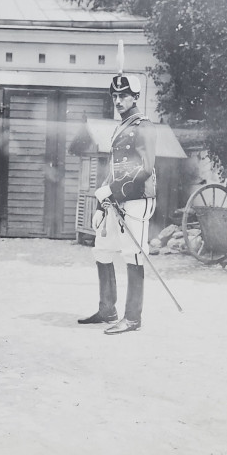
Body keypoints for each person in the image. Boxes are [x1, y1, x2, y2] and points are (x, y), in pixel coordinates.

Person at [78, 73, 157, 335]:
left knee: (132, 254)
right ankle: (107, 310)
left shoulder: (144, 126)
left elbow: (145, 169)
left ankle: (132, 318)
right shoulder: (120, 127)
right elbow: (114, 168)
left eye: (123, 96)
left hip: (137, 198)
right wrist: (102, 204)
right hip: (115, 198)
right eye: (115, 96)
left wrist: (111, 191)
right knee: (101, 249)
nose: (118, 100)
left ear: (135, 97)